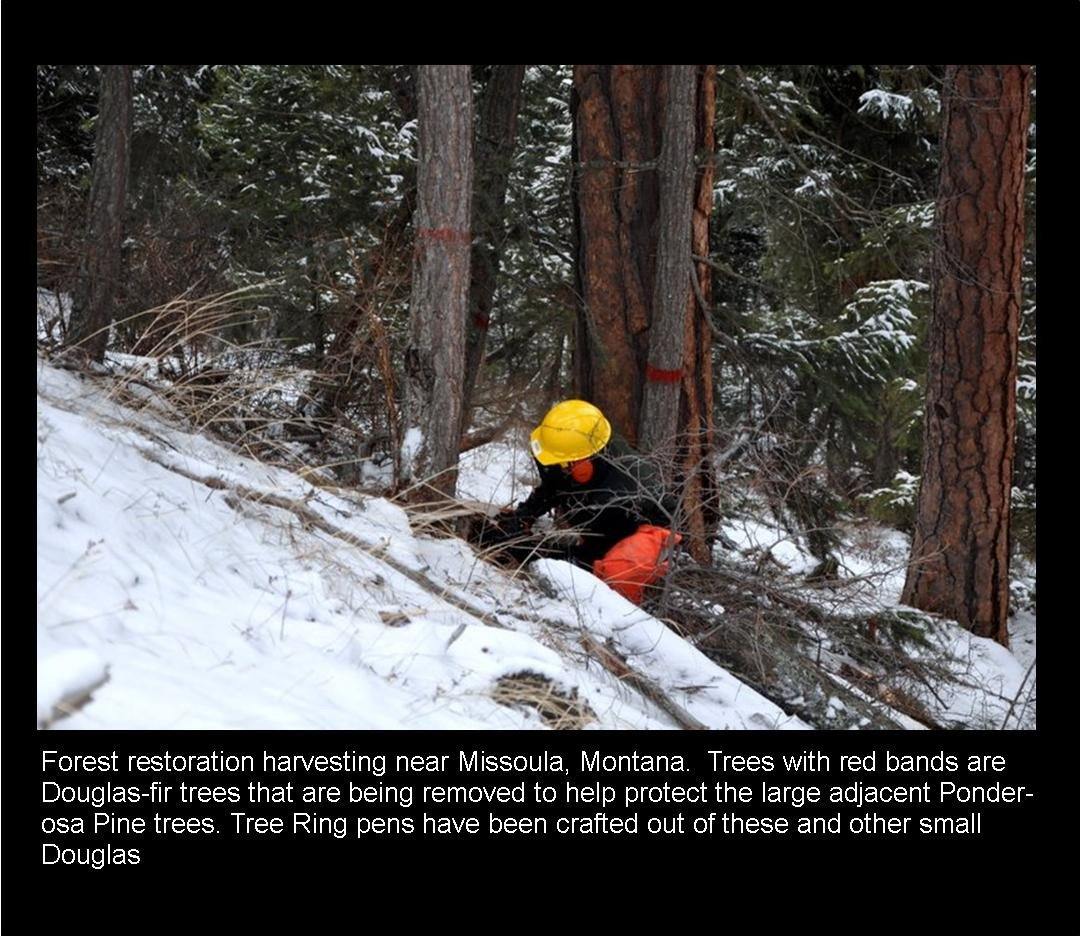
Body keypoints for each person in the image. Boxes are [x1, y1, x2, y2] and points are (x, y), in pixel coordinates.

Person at [487, 399, 681, 604]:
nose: (560, 470)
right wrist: (524, 516)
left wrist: (532, 552)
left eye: (564, 466)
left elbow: (590, 555)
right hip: (606, 517)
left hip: (648, 529)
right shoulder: (584, 443)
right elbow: (555, 484)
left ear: (586, 459)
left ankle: (626, 610)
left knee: (616, 571)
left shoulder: (618, 495)